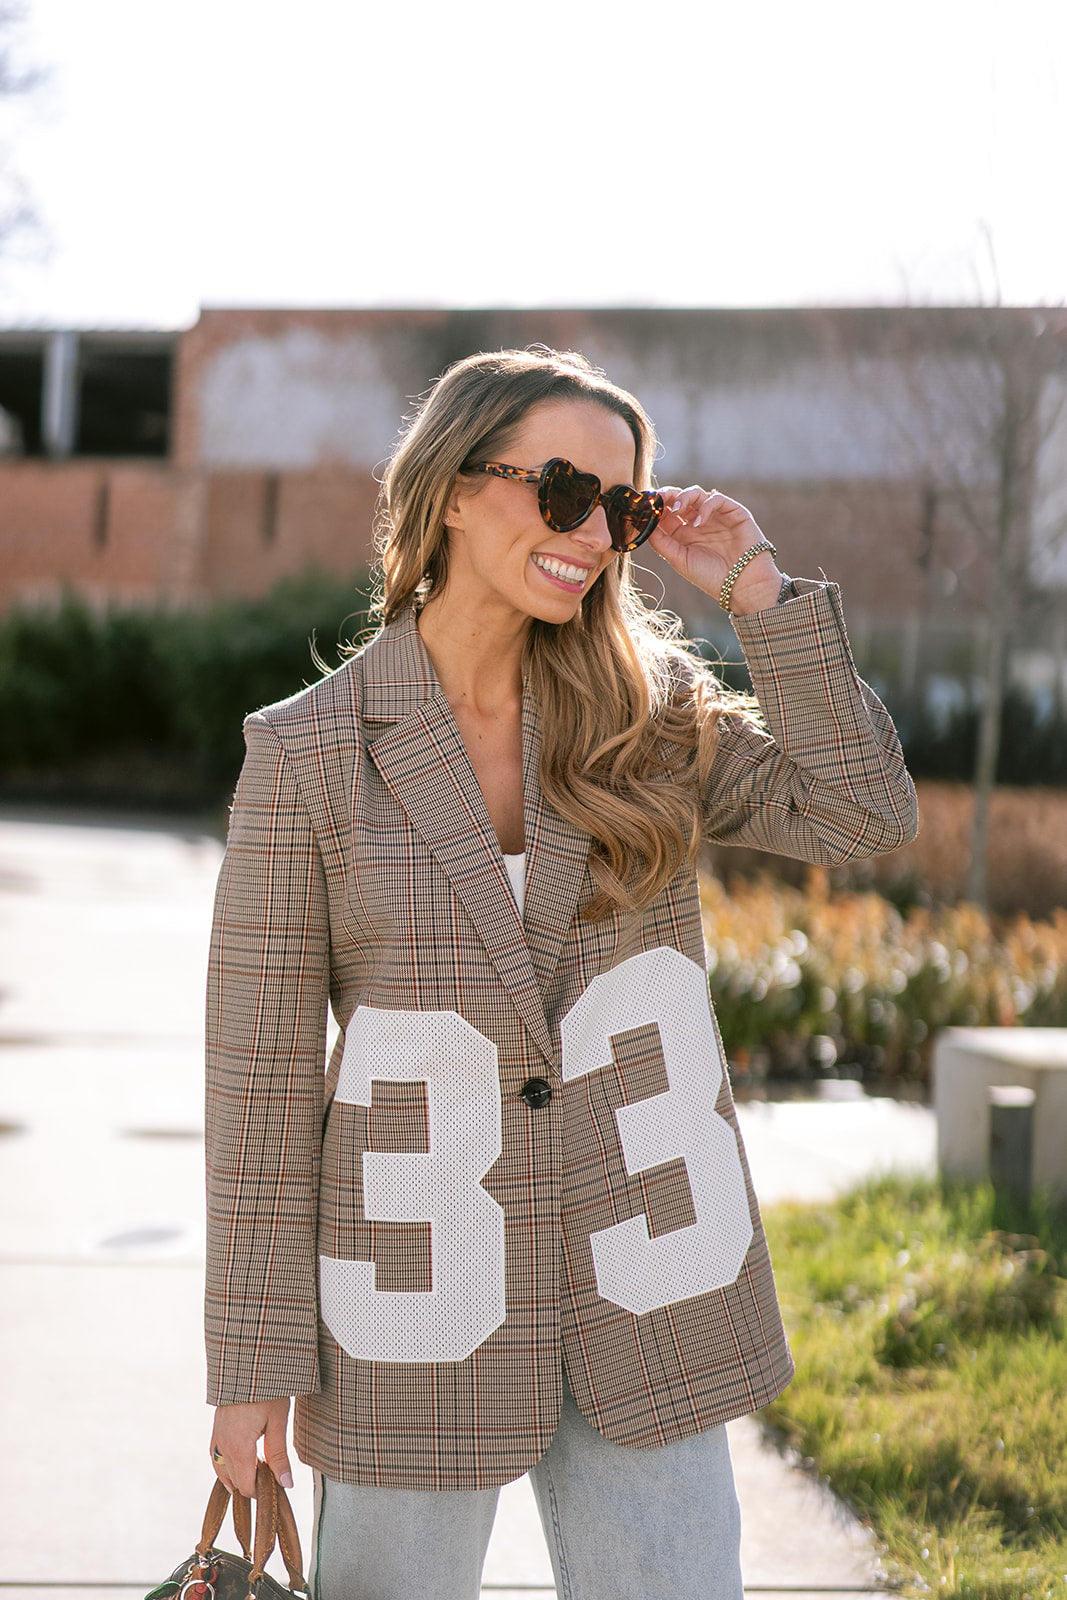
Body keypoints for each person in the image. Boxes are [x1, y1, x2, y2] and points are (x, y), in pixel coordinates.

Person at [204, 346, 917, 1600]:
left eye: (621, 508)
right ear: (451, 488)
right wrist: (253, 1363)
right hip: (411, 1307)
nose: (591, 535)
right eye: (562, 491)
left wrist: (757, 593)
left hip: (650, 1285)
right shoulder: (307, 756)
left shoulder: (652, 715)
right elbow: (259, 1084)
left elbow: (862, 814)